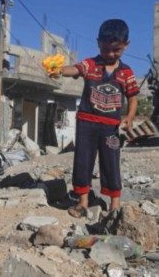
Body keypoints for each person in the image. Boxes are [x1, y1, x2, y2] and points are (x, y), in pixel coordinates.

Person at [51, 19, 139, 218]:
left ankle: (115, 204)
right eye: (105, 48)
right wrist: (58, 70)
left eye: (116, 50)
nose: (109, 54)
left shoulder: (126, 73)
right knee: (82, 161)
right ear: (98, 43)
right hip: (86, 124)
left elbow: (133, 98)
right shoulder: (90, 64)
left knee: (111, 163)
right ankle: (83, 202)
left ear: (126, 45)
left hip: (110, 127)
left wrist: (130, 117)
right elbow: (73, 69)